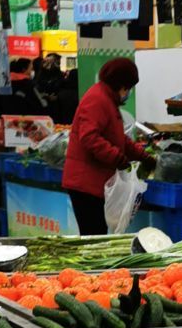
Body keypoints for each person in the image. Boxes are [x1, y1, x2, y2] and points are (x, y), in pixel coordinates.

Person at [60, 57, 149, 236]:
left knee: (96, 234)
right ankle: (91, 266)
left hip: (94, 182)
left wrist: (142, 156)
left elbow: (118, 138)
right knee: (93, 237)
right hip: (85, 183)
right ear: (121, 84)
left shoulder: (107, 99)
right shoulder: (97, 99)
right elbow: (90, 137)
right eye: (129, 87)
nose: (128, 92)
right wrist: (118, 158)